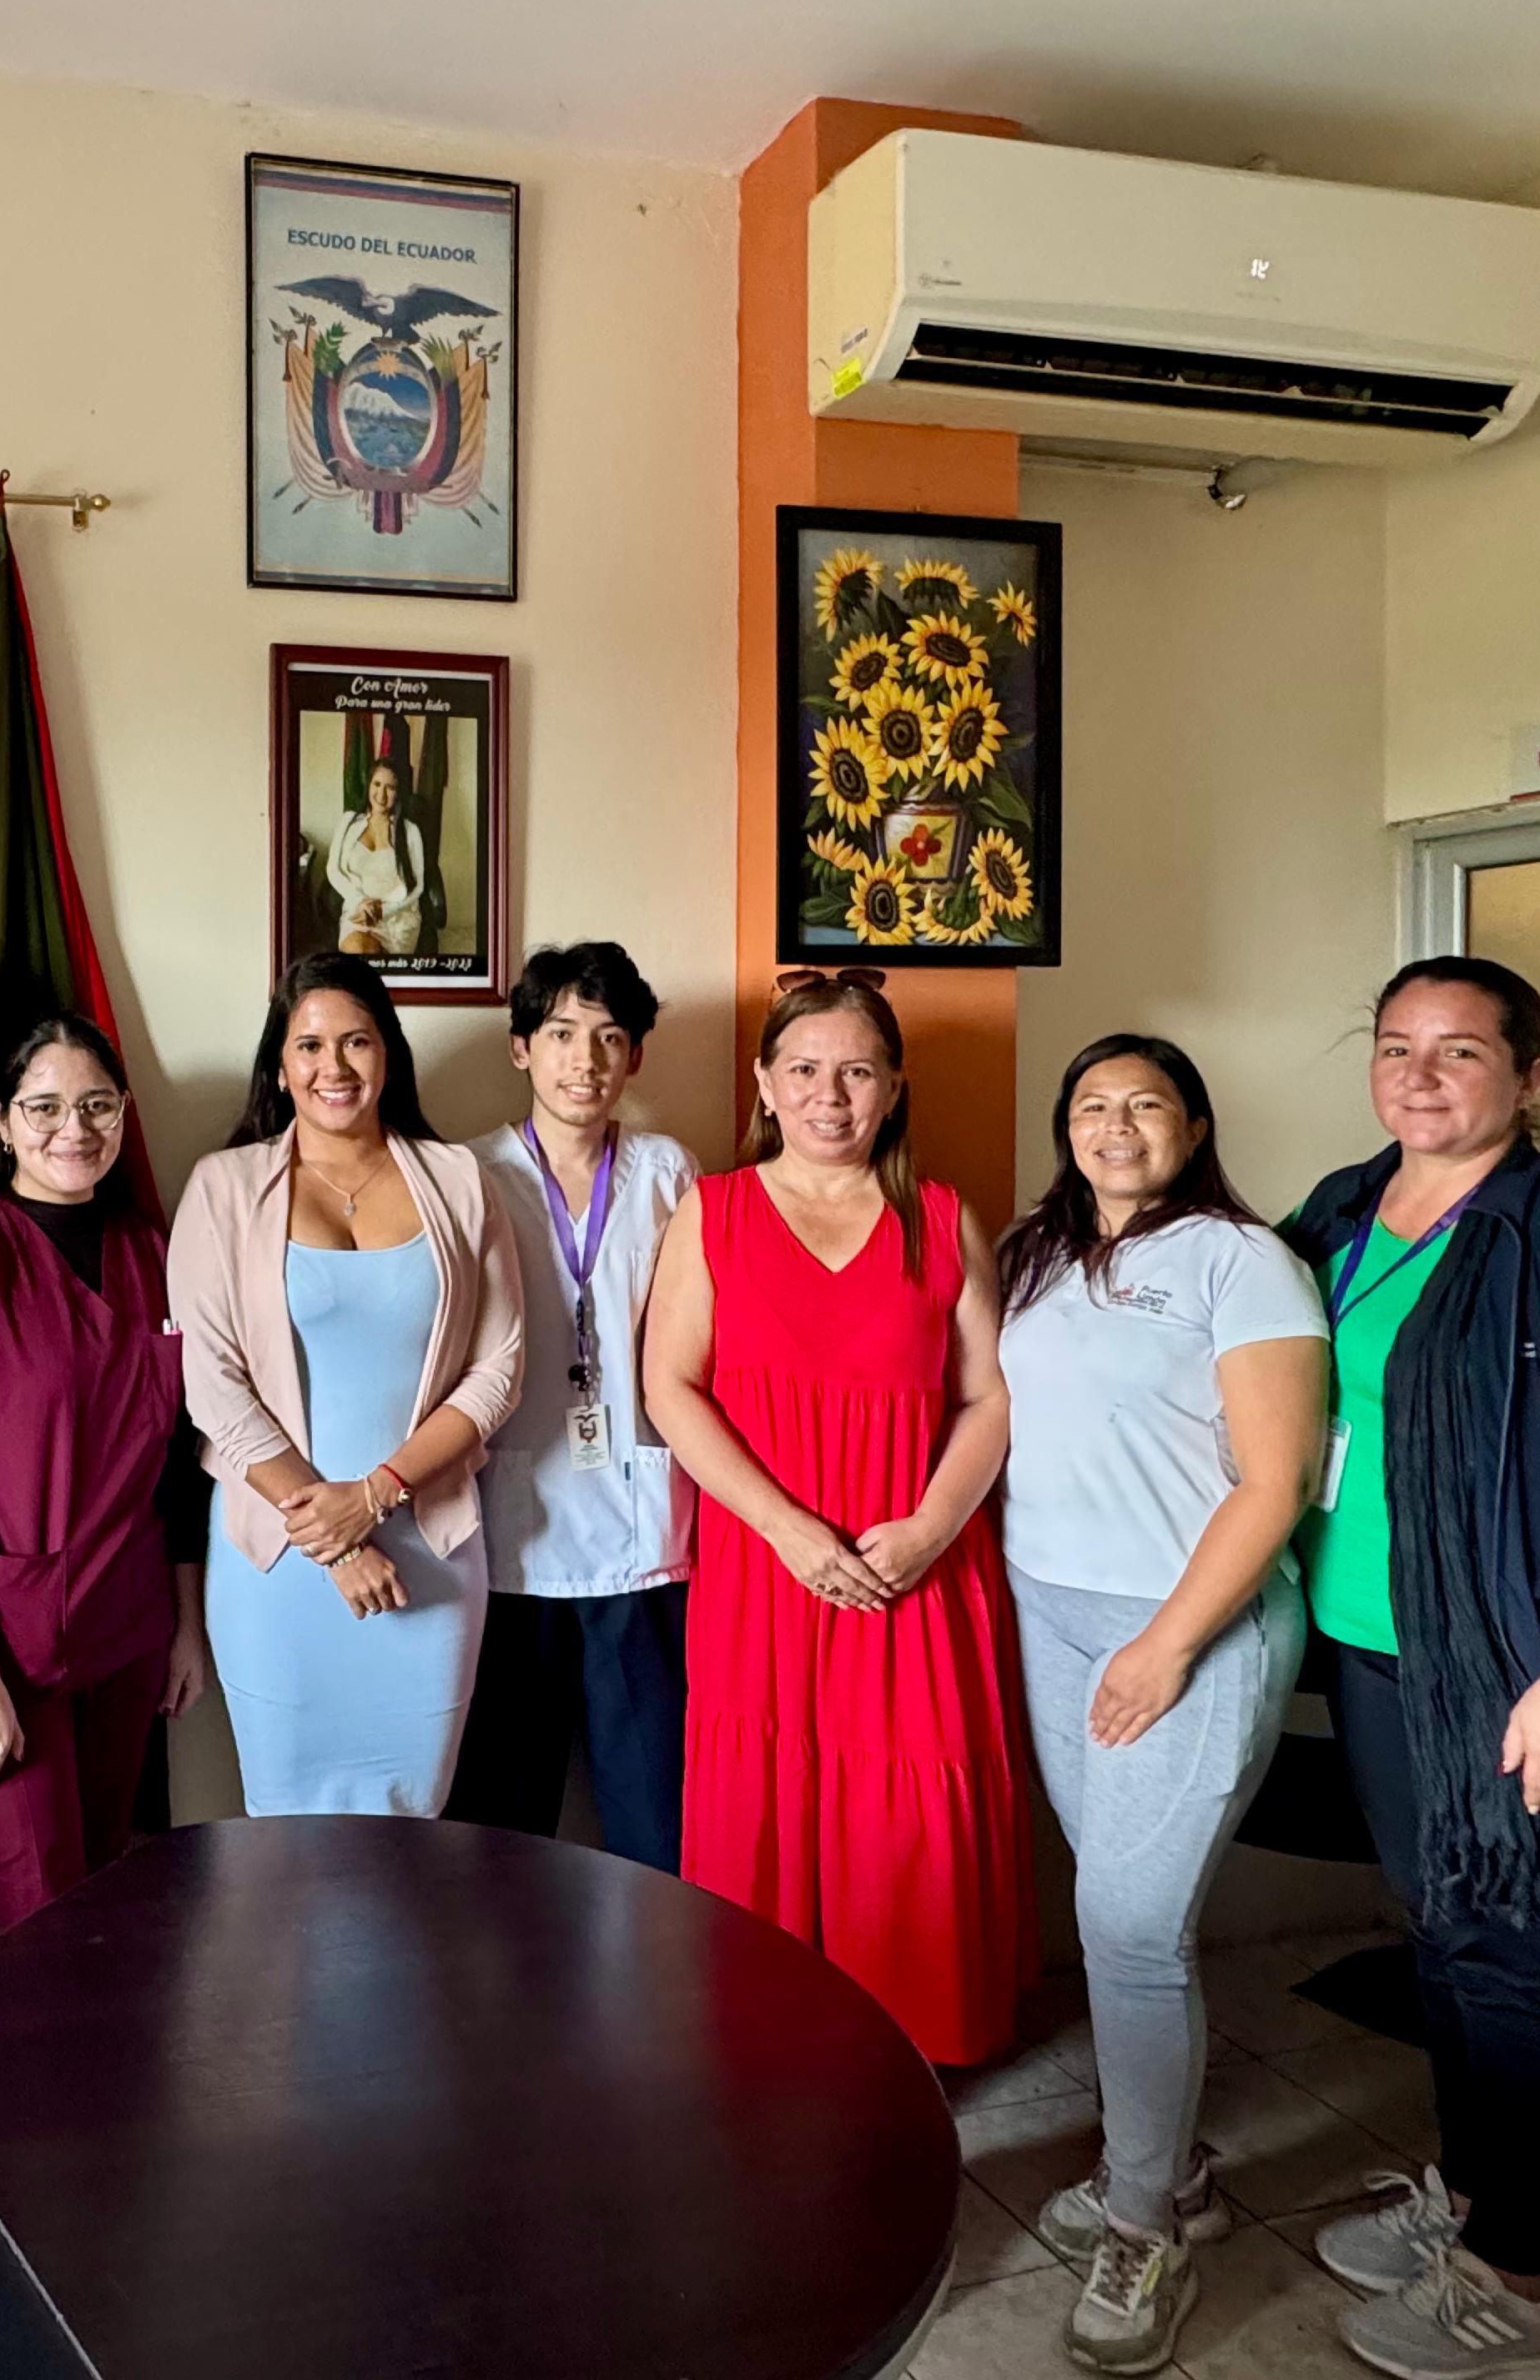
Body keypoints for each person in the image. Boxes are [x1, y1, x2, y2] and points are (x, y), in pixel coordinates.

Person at [1281, 959, 1540, 2380]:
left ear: (1530, 1076)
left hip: (1518, 1663)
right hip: (1381, 1648)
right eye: (1395, 1045)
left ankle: (1518, 2285)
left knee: (1513, 1949)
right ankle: (1472, 2201)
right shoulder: (1341, 1211)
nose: (1419, 1074)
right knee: (1448, 1936)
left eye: (1459, 1050)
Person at [995, 1036, 1331, 2374]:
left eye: (1146, 1105)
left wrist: (1167, 1644)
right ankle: (1171, 2170)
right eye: (1093, 1106)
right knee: (1116, 1909)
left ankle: (1145, 2226)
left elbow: (1276, 1481)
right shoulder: (1035, 1252)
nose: (1117, 1127)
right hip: (1053, 1612)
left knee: (1132, 1931)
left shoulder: (1243, 1262)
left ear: (1195, 1125)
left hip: (1185, 1625)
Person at [643, 968, 1034, 2067]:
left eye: (857, 1071)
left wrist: (930, 1529)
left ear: (894, 1087)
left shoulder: (943, 1219)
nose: (831, 1094)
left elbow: (990, 1398)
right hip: (767, 1564)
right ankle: (777, 2047)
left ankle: (915, 2049)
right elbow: (670, 1387)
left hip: (916, 1567)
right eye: (806, 1069)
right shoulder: (713, 1212)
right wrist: (786, 1529)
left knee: (905, 1811)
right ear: (765, 1084)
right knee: (769, 1800)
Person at [0, 1016, 214, 1944]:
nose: (76, 1129)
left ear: (125, 1112)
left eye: (97, 1105)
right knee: (27, 1926)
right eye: (47, 1107)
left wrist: (187, 1625)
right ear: (1, 1120)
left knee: (109, 1904)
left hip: (129, 1628)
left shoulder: (158, 1254)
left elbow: (181, 1461)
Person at [168, 952, 521, 1815]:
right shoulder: (223, 1187)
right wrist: (336, 1540)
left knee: (413, 1822)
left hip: (429, 1553)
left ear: (387, 1053)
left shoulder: (459, 1181)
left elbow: (499, 1369)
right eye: (310, 1045)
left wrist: (376, 1496)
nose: (335, 1066)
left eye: (356, 1041)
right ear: (279, 1067)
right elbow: (212, 1385)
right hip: (278, 1564)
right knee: (287, 1832)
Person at [443, 942, 700, 1868]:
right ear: (521, 1048)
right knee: (504, 1825)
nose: (583, 1061)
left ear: (635, 1056)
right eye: (560, 1034)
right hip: (512, 1538)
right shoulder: (468, 1174)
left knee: (657, 1819)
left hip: (642, 1538)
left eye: (608, 1037)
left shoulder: (670, 1172)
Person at [330, 759, 426, 956]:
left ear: (398, 793)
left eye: (390, 788)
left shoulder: (410, 831)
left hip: (397, 917)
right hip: (359, 912)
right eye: (377, 784)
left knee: (371, 961)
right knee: (358, 949)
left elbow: (418, 886)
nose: (381, 795)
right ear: (369, 785)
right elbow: (333, 870)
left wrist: (384, 911)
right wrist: (360, 902)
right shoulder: (348, 822)